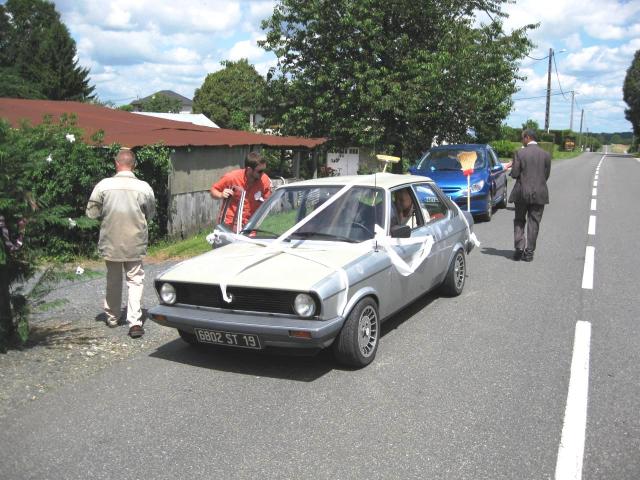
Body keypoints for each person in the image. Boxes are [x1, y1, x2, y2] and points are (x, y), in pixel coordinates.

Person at [86, 149, 156, 338]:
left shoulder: (103, 185)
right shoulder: (144, 187)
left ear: (117, 164)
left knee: (113, 279)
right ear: (133, 165)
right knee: (135, 279)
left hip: (111, 239)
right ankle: (134, 321)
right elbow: (151, 214)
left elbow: (91, 212)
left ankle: (112, 317)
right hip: (135, 239)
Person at [508, 129, 551, 262]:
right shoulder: (546, 154)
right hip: (540, 193)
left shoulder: (519, 153)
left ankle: (519, 249)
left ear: (527, 137)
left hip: (522, 193)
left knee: (519, 220)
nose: (522, 141)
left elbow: (515, 174)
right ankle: (529, 253)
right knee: (534, 223)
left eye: (522, 138)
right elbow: (546, 175)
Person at [210, 152, 272, 228]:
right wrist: (221, 194)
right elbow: (213, 190)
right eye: (259, 171)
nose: (262, 173)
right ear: (249, 169)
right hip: (229, 224)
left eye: (264, 170)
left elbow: (267, 202)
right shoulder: (232, 177)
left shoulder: (264, 180)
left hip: (250, 224)